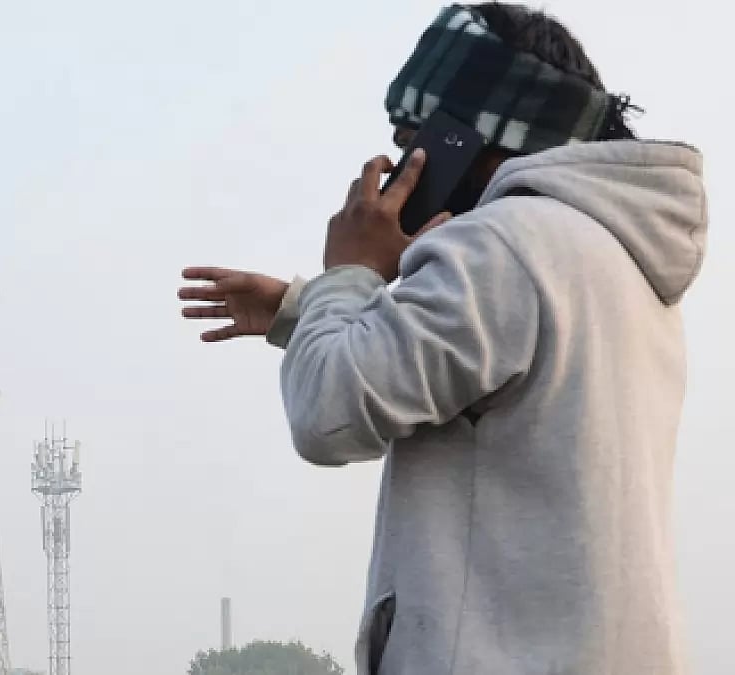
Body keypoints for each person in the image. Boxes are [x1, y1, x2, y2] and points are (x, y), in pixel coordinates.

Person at [179, 3, 707, 674]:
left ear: (467, 137)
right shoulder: (619, 263)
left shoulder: (498, 246)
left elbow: (328, 415)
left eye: (412, 137)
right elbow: (465, 362)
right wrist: (303, 309)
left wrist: (351, 269)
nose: (400, 162)